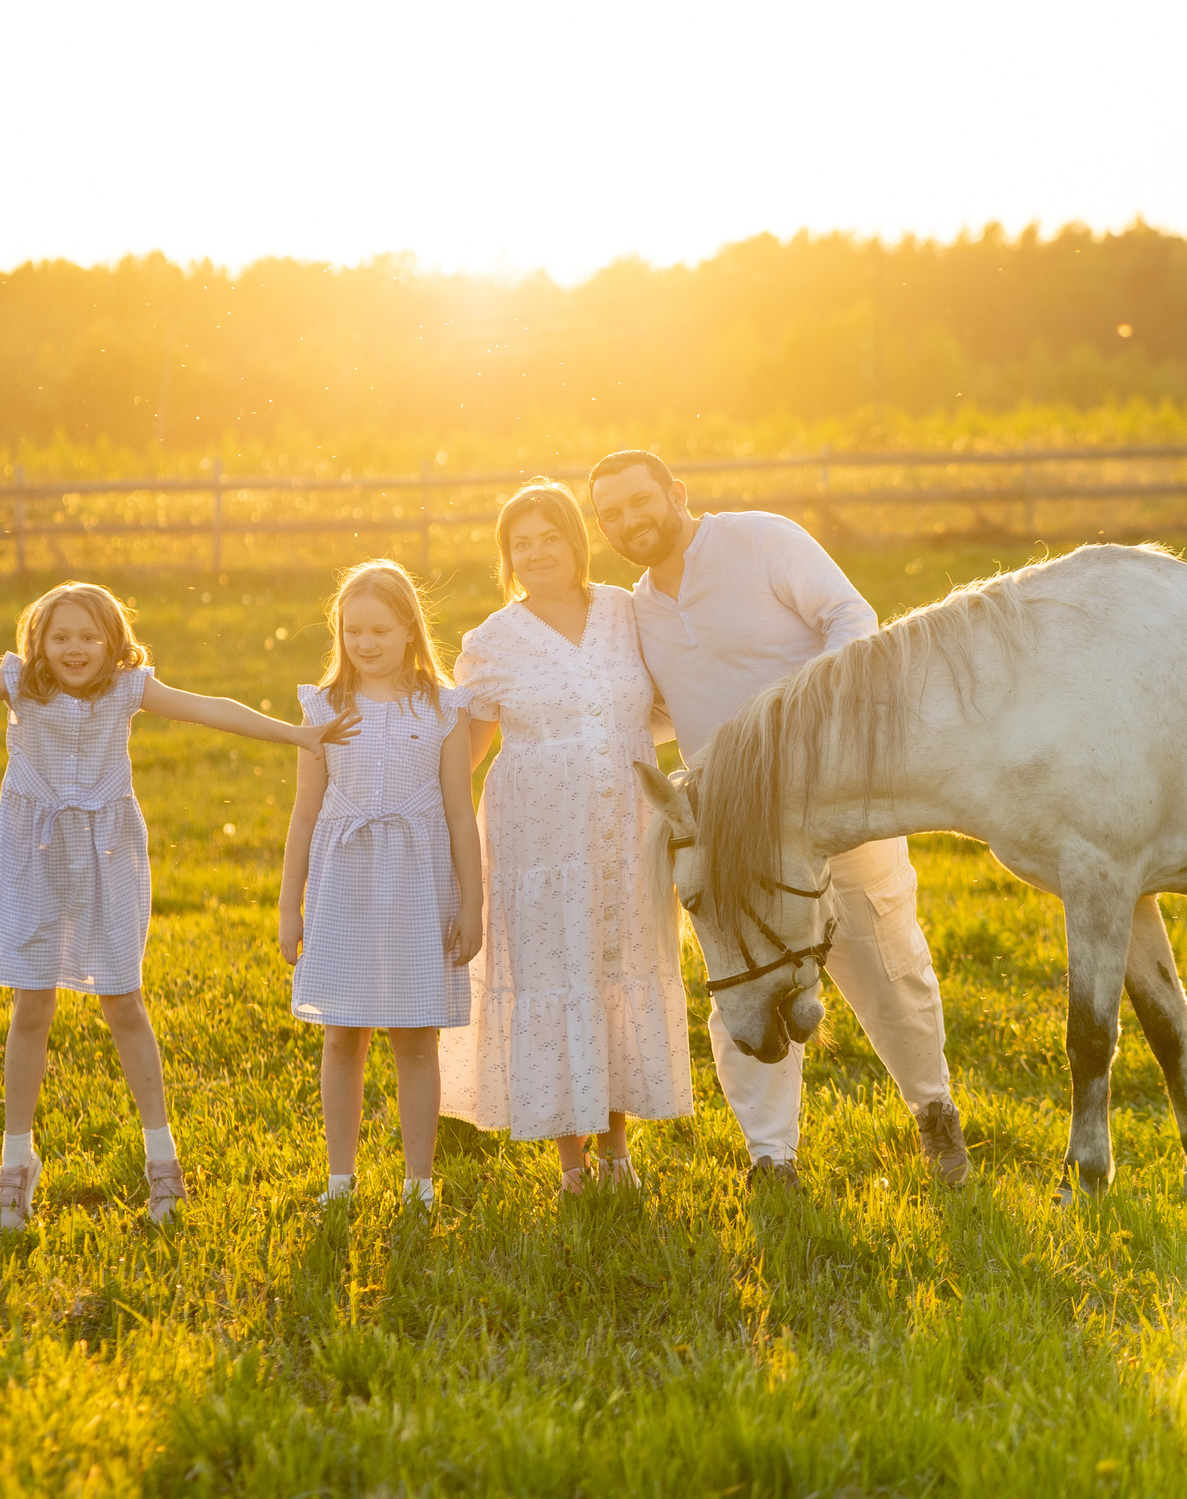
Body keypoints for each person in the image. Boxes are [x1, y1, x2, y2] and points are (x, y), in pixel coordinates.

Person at [0, 580, 358, 1230]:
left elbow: (209, 709)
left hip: (109, 856)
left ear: (113, 642)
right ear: (39, 640)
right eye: (60, 637)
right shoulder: (19, 681)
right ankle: (16, 1162)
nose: (74, 648)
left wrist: (297, 734)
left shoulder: (130, 687)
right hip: (35, 856)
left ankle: (162, 1160)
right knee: (32, 1003)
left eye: (88, 636)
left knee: (123, 1000)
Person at [588, 449, 970, 1190]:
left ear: (675, 492)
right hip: (734, 829)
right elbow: (661, 707)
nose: (629, 520)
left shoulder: (761, 539)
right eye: (611, 514)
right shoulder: (639, 611)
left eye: (639, 501)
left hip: (836, 796)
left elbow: (851, 617)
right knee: (748, 976)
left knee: (887, 963)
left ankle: (934, 1110)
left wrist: (801, 723)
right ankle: (771, 1157)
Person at [441, 482, 692, 1193]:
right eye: (521, 543)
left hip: (627, 830)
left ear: (576, 542)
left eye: (550, 537)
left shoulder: (623, 611)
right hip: (540, 843)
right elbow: (466, 756)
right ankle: (573, 1166)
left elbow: (664, 698)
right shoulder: (490, 642)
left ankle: (618, 1154)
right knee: (557, 977)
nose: (537, 552)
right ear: (507, 558)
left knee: (615, 969)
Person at [279, 559, 483, 1212]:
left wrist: (473, 903)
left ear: (410, 630)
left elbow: (459, 811)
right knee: (343, 1034)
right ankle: (340, 1181)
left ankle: (419, 1184)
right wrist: (289, 906)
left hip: (419, 889)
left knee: (415, 1036)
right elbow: (305, 812)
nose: (365, 643)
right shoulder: (324, 708)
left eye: (380, 630)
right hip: (344, 887)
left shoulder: (443, 708)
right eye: (353, 630)